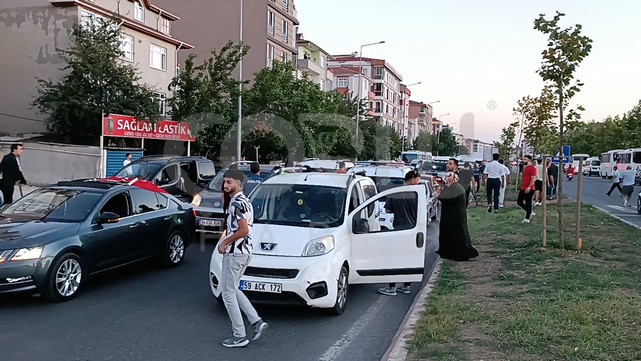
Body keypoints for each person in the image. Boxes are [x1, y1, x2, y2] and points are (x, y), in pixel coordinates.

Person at [217, 169, 268, 348]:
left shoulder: (236, 203)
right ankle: (256, 321)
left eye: (229, 182)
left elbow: (243, 230)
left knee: (227, 294)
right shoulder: (245, 201)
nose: (225, 185)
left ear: (239, 183)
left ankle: (239, 335)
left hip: (235, 253)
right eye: (225, 182)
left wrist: (225, 242)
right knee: (233, 289)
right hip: (245, 252)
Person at [378, 170, 420, 296]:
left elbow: (388, 209)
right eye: (418, 179)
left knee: (395, 260)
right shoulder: (417, 194)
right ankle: (406, 286)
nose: (419, 182)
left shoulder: (396, 192)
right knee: (410, 260)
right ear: (412, 179)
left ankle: (392, 288)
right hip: (414, 230)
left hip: (399, 230)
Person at [435, 172, 478, 261]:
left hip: (454, 216)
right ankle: (450, 253)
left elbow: (450, 199)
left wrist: (438, 196)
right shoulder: (457, 187)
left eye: (447, 179)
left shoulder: (454, 187)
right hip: (456, 215)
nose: (445, 181)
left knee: (455, 235)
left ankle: (459, 254)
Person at [517, 155, 537, 223]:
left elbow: (533, 179)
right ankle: (530, 212)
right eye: (523, 159)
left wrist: (529, 187)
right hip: (523, 188)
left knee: (528, 202)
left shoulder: (532, 168)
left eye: (525, 159)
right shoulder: (525, 168)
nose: (523, 160)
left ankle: (527, 218)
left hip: (530, 188)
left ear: (529, 160)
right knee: (519, 201)